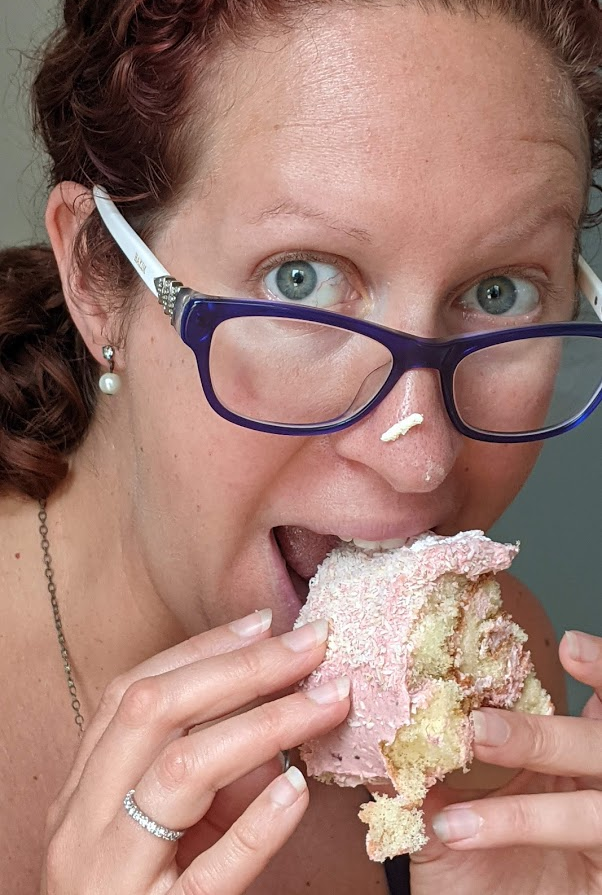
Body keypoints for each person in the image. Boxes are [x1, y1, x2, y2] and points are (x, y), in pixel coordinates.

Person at [1, 0, 601, 892]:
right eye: (302, 281)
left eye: (503, 289)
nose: (422, 458)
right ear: (97, 276)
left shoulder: (506, 727)